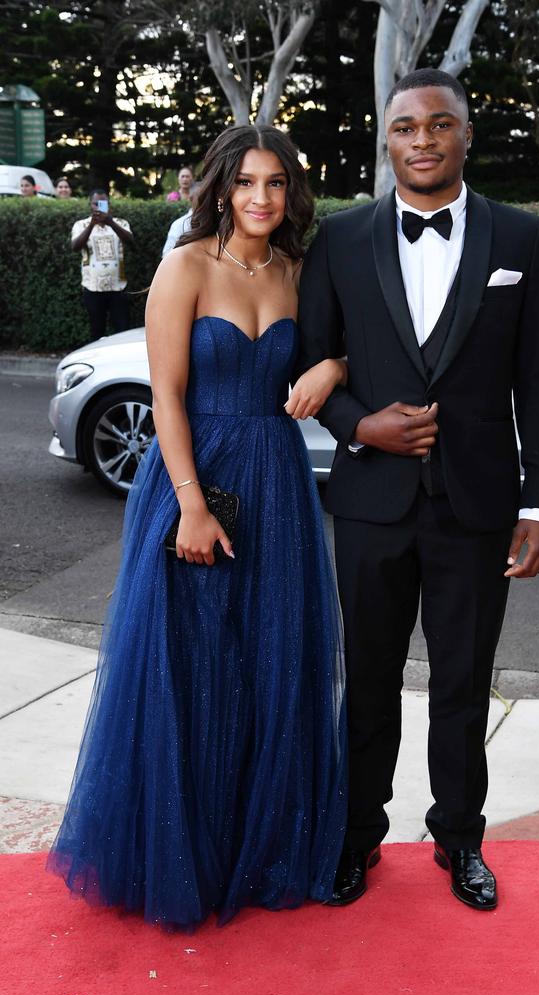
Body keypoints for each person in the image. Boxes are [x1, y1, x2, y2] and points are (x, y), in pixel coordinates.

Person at [47, 125, 348, 929]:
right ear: (220, 186)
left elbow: (334, 350)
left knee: (269, 654)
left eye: (276, 183)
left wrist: (334, 365)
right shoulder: (184, 266)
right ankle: (182, 854)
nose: (261, 197)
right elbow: (166, 397)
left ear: (291, 192)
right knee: (188, 659)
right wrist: (190, 503)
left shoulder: (295, 272)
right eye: (246, 181)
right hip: (192, 474)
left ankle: (259, 848)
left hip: (277, 481)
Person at [296, 68, 539, 912]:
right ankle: (356, 838)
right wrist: (356, 425)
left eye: (439, 125)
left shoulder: (519, 238)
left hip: (478, 506)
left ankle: (460, 839)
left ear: (466, 136)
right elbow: (308, 364)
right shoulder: (338, 240)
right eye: (406, 127)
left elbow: (538, 378)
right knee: (368, 682)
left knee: (462, 682)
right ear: (387, 138)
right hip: (372, 500)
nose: (422, 140)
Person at [71, 189, 134, 340]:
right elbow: (75, 247)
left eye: (103, 203)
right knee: (97, 330)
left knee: (122, 329)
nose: (98, 207)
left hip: (118, 286)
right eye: (95, 204)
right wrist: (92, 225)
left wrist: (110, 222)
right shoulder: (81, 224)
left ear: (108, 204)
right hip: (92, 287)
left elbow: (131, 242)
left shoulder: (120, 223)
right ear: (90, 205)